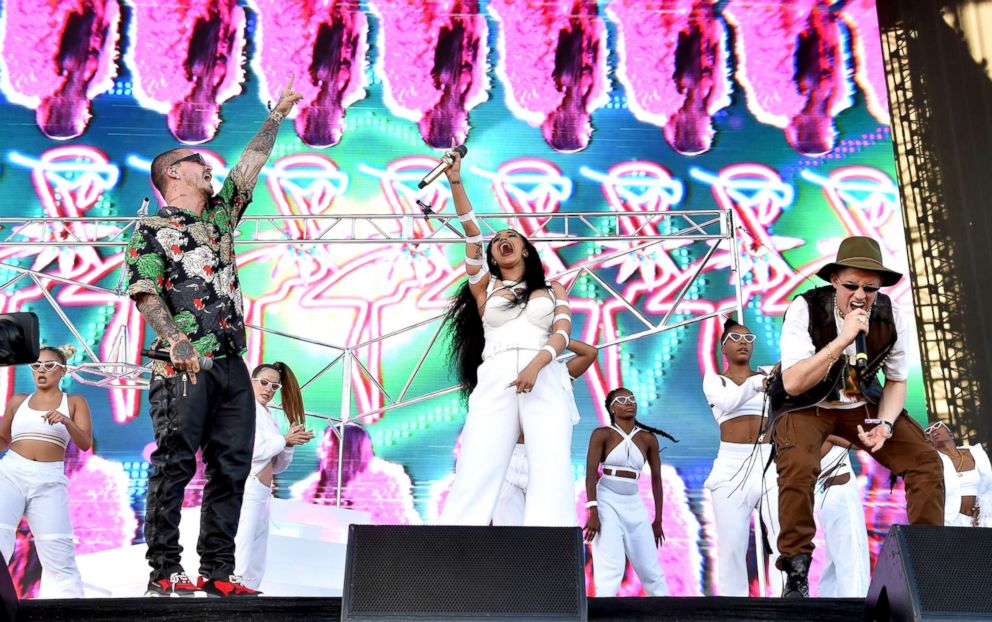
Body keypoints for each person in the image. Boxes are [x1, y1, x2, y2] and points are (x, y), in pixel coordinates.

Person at [125, 76, 302, 597]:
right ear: (173, 174)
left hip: (230, 362)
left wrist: (275, 115)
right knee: (175, 462)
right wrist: (176, 343)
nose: (209, 167)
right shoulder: (153, 229)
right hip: (181, 362)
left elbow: (249, 168)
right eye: (197, 161)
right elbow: (144, 291)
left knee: (232, 466)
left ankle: (219, 572)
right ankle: (163, 570)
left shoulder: (221, 219)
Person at [773, 236, 943, 597]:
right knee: (799, 465)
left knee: (925, 460)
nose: (860, 295)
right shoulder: (804, 308)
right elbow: (793, 381)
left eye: (869, 288)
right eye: (851, 285)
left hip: (861, 406)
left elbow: (896, 381)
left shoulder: (893, 316)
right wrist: (841, 340)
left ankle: (928, 570)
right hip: (807, 405)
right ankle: (797, 570)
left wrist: (885, 423)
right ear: (834, 280)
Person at [438, 142, 577, 526]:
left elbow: (563, 335)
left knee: (550, 466)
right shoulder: (485, 288)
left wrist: (537, 365)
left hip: (545, 371)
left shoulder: (553, 291)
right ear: (493, 255)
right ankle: (451, 548)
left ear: (527, 250)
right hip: (497, 373)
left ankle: (551, 554)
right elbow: (470, 229)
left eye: (511, 235)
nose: (502, 240)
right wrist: (455, 180)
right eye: (497, 240)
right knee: (477, 462)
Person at [0, 345, 91, 598]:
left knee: (57, 549)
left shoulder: (73, 403)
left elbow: (85, 443)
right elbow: (3, 438)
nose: (41, 371)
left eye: (49, 365)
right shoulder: (18, 401)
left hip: (49, 478)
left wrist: (67, 421)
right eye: (36, 365)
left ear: (62, 371)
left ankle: (71, 611)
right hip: (11, 473)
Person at [702, 318, 782, 596]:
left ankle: (787, 605)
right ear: (723, 348)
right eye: (736, 338)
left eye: (749, 339)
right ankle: (733, 607)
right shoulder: (715, 380)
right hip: (731, 465)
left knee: (782, 538)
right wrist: (759, 383)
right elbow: (728, 402)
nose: (744, 343)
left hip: (768, 462)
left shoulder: (768, 375)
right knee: (733, 545)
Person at [491, 338, 598, 526]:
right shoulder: (504, 369)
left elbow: (590, 353)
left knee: (549, 528)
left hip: (546, 458)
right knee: (508, 533)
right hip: (509, 458)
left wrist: (554, 338)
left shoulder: (559, 373)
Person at [583, 387, 675, 596]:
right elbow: (590, 474)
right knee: (610, 567)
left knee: (651, 569)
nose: (629, 402)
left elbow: (656, 479)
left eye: (632, 398)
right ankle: (604, 614)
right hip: (606, 500)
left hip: (634, 502)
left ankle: (667, 614)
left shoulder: (648, 438)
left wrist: (658, 520)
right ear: (612, 408)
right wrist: (593, 512)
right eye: (622, 399)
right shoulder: (602, 434)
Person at [233, 362, 313, 590]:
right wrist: (284, 440)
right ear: (252, 381)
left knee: (258, 542)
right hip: (248, 483)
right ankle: (236, 585)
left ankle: (250, 586)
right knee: (245, 539)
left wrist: (289, 444)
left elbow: (277, 466)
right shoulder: (244, 409)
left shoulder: (270, 417)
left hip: (263, 489)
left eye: (274, 386)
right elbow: (252, 450)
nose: (269, 389)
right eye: (264, 383)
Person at [813, 437, 870, 597]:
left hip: (825, 493)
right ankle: (856, 609)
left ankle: (830, 609)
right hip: (839, 492)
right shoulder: (824, 432)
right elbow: (862, 443)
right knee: (852, 559)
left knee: (833, 562)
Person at [925, 421, 992, 528]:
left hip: (981, 519)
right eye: (928, 431)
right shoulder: (933, 463)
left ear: (950, 433)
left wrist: (981, 509)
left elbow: (988, 487)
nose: (932, 430)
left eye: (937, 426)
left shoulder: (976, 453)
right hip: (951, 522)